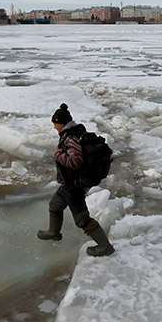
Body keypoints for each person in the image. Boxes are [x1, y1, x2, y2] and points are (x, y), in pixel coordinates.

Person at [38, 103, 115, 256]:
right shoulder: (73, 132)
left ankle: (104, 246)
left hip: (74, 186)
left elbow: (76, 161)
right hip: (68, 183)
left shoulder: (70, 138)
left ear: (61, 123)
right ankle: (53, 232)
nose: (54, 127)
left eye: (55, 124)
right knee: (55, 205)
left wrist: (58, 155)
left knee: (82, 219)